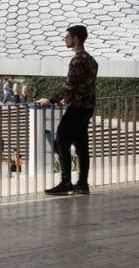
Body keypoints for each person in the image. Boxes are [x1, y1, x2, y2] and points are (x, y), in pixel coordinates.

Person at [38, 24, 98, 196]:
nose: (66, 40)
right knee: (81, 144)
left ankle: (66, 183)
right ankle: (82, 183)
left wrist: (49, 100)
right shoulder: (92, 61)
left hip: (76, 108)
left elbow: (69, 88)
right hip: (87, 108)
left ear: (75, 39)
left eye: (68, 37)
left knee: (62, 140)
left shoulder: (77, 61)